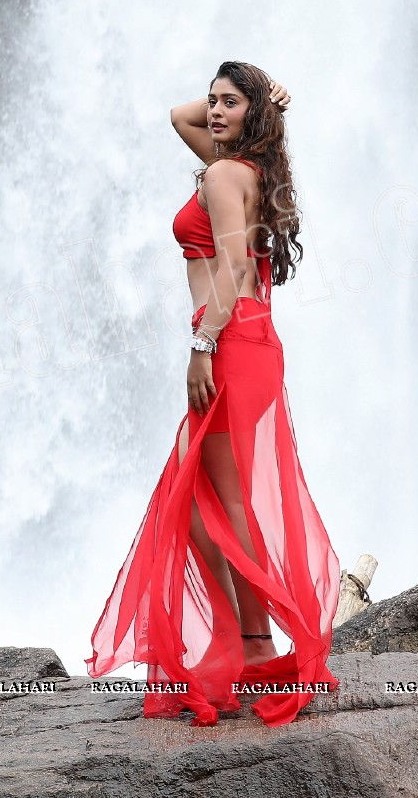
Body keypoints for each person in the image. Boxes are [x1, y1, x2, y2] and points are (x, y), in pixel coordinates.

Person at [87, 60, 342, 726]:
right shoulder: (244, 171)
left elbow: (231, 264)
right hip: (250, 340)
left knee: (220, 506)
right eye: (214, 101)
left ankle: (255, 642)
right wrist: (263, 100)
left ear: (252, 116)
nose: (214, 112)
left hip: (229, 343)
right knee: (206, 505)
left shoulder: (227, 175)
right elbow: (179, 117)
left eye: (231, 103)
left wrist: (202, 346)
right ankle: (251, 642)